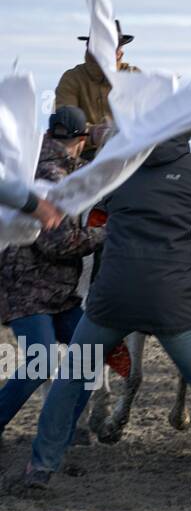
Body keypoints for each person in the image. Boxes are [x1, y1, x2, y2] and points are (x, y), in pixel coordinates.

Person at [22, 131, 191, 507]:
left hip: (112, 297)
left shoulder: (121, 169)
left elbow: (127, 219)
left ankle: (40, 467)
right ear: (186, 134)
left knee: (72, 379)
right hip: (171, 302)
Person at [0, 108, 104, 443]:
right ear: (81, 140)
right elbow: (59, 244)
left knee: (88, 356)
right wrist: (106, 234)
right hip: (27, 289)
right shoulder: (54, 175)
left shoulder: (52, 166)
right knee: (41, 361)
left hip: (57, 292)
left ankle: (63, 430)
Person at [54, 19, 139, 158]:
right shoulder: (72, 79)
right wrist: (93, 134)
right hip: (85, 156)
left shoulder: (134, 76)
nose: (120, 51)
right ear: (90, 47)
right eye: (110, 46)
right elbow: (64, 122)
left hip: (129, 155)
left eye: (118, 46)